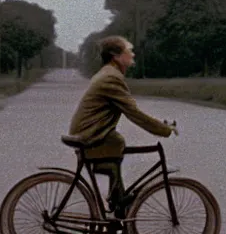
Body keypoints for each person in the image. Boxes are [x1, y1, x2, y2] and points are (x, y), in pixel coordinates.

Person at [68, 35, 177, 218]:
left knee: (116, 141)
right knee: (115, 142)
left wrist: (159, 124)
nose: (132, 54)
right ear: (116, 56)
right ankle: (118, 202)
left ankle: (117, 200)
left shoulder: (109, 73)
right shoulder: (111, 78)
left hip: (91, 132)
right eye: (129, 51)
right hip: (89, 135)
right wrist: (163, 130)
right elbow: (133, 113)